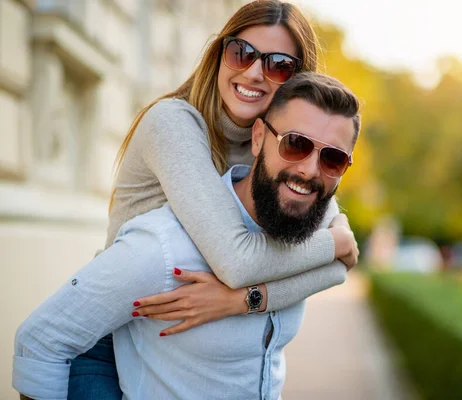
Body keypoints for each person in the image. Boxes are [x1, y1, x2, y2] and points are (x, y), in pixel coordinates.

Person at [35, 1, 358, 399]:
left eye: (278, 65)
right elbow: (239, 261)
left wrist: (240, 302)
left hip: (171, 346)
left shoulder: (282, 148)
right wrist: (334, 244)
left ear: (296, 80)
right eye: (241, 52)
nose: (254, 72)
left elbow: (339, 265)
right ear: (220, 53)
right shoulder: (174, 124)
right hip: (112, 335)